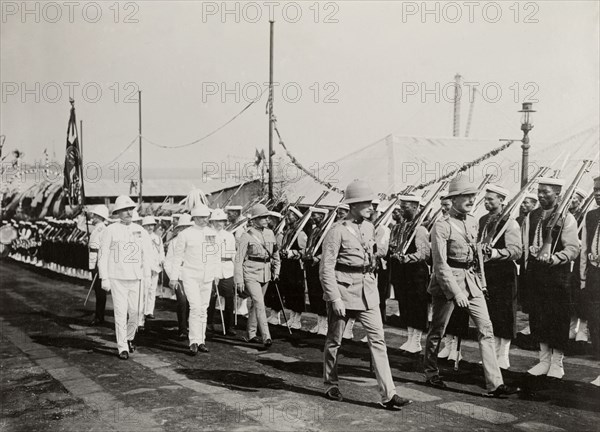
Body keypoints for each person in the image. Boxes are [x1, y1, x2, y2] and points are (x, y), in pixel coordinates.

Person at [320, 180, 412, 409]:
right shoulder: (336, 232)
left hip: (368, 291)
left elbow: (372, 253)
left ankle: (388, 394)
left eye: (371, 203)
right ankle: (330, 383)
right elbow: (326, 269)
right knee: (335, 341)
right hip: (342, 290)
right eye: (366, 203)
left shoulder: (370, 227)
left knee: (378, 340)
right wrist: (335, 298)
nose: (371, 207)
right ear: (352, 205)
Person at [423, 176, 518, 397]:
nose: (471, 200)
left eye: (472, 196)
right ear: (453, 199)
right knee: (438, 330)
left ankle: (495, 384)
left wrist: (481, 282)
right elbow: (440, 264)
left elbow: (475, 256)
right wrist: (455, 292)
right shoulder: (441, 226)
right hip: (447, 283)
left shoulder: (473, 221)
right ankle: (430, 372)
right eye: (466, 196)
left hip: (471, 281)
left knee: (486, 329)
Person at [522, 177, 580, 379]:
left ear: (557, 194)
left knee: (557, 320)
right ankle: (543, 360)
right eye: (539, 191)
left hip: (557, 277)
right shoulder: (532, 216)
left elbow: (573, 248)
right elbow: (525, 245)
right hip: (536, 275)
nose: (540, 195)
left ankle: (557, 363)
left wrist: (556, 258)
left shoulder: (567, 218)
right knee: (538, 318)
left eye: (545, 192)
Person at [98, 195, 153, 360]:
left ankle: (129, 338)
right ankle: (122, 347)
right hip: (117, 277)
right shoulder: (110, 230)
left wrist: (147, 277)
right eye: (125, 210)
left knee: (136, 312)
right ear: (118, 213)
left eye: (131, 209)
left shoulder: (140, 230)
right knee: (120, 313)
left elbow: (147, 255)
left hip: (136, 277)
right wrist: (104, 278)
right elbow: (103, 255)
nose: (129, 213)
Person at [478, 185, 522, 369]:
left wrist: (495, 253)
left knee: (504, 314)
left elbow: (516, 251)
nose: (487, 202)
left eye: (491, 199)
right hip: (486, 272)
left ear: (502, 201)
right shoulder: (482, 220)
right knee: (489, 314)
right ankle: (491, 355)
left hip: (503, 273)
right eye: (485, 199)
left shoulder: (510, 222)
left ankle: (503, 356)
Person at [170, 205, 219, 355]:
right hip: (190, 275)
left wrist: (216, 274)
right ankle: (193, 341)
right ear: (195, 218)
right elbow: (177, 257)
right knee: (195, 307)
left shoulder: (212, 233)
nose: (205, 220)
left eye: (206, 217)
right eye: (202, 217)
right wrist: (173, 277)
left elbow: (214, 255)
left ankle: (201, 340)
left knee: (203, 308)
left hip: (207, 276)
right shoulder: (185, 234)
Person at [234, 204, 281, 347]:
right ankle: (266, 336)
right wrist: (239, 279)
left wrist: (276, 271)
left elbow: (275, 254)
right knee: (260, 303)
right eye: (262, 217)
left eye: (267, 217)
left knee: (256, 304)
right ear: (254, 220)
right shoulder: (246, 235)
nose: (266, 219)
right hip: (250, 273)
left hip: (265, 273)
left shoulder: (270, 233)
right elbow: (239, 259)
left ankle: (251, 333)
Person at [391, 195, 431, 354]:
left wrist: (407, 258)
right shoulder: (401, 227)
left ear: (415, 207)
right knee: (405, 305)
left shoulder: (419, 229)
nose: (401, 210)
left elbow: (424, 253)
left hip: (416, 272)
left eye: (405, 207)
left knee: (417, 306)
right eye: (401, 207)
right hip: (403, 272)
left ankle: (416, 341)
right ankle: (409, 338)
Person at [580, 176, 600, 380]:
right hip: (594, 276)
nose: (598, 193)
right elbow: (585, 248)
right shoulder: (591, 216)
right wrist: (583, 278)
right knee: (596, 321)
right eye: (595, 189)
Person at [207, 209, 237, 336]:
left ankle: (229, 325)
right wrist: (213, 273)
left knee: (230, 298)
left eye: (222, 221)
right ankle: (209, 323)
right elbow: (207, 256)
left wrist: (236, 270)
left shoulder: (229, 235)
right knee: (211, 298)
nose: (220, 223)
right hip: (214, 269)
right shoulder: (208, 235)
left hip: (228, 269)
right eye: (217, 221)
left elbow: (234, 254)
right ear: (212, 221)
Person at [277, 206, 308, 330]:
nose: (287, 217)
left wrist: (293, 253)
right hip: (286, 265)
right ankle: (291, 317)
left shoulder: (300, 233)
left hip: (295, 266)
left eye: (290, 215)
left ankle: (298, 320)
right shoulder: (288, 232)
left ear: (296, 218)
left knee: (297, 291)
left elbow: (305, 251)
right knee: (289, 291)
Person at [163, 214, 193, 339]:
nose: (186, 230)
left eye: (188, 227)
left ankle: (192, 326)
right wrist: (173, 277)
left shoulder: (195, 241)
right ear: (180, 229)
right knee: (182, 300)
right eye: (183, 227)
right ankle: (182, 329)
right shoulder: (174, 243)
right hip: (179, 275)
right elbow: (168, 262)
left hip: (192, 275)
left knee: (193, 302)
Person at [87, 205, 109, 326]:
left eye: (94, 215)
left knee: (100, 291)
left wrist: (98, 265)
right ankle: (98, 314)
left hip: (98, 262)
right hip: (93, 260)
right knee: (97, 290)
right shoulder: (96, 228)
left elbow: (103, 248)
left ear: (100, 217)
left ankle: (99, 316)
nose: (92, 217)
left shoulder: (102, 229)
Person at [141, 216, 165, 323]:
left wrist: (162, 260)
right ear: (144, 226)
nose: (150, 227)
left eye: (152, 225)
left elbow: (161, 252)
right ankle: (141, 312)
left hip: (155, 268)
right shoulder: (140, 237)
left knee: (152, 290)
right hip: (144, 268)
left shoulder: (158, 238)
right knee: (144, 291)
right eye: (148, 225)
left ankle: (149, 311)